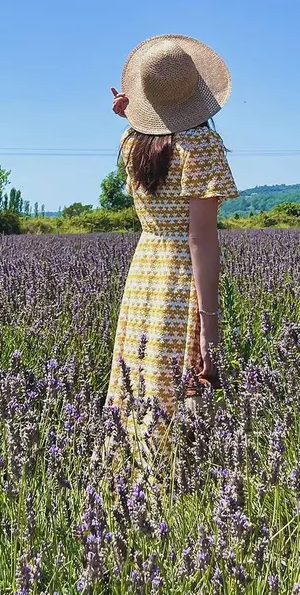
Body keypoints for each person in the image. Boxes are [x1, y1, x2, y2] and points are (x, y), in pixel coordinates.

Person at [104, 34, 238, 453]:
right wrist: (209, 326)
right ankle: (177, 493)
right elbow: (200, 239)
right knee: (182, 390)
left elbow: (153, 136)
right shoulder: (202, 145)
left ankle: (127, 491)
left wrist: (132, 118)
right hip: (180, 280)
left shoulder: (131, 143)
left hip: (143, 276)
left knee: (138, 387)